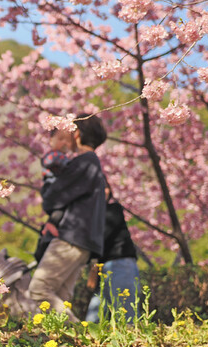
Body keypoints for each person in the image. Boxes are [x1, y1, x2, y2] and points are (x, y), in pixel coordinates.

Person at [27, 113, 107, 322]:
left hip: (71, 237)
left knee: (39, 289)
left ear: (77, 134)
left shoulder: (84, 162)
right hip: (84, 240)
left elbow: (51, 198)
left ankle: (78, 334)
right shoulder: (92, 164)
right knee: (60, 295)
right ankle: (60, 343)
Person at [85, 185, 140, 323]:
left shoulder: (113, 210)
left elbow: (101, 236)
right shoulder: (90, 216)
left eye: (106, 187)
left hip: (120, 264)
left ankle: (133, 343)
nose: (103, 190)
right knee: (94, 318)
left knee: (126, 313)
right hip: (104, 268)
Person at [34, 129, 75, 263]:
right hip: (51, 190)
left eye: (68, 140)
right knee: (58, 211)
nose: (65, 142)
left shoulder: (61, 156)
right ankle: (50, 230)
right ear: (51, 140)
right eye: (61, 138)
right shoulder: (53, 156)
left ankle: (51, 231)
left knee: (61, 213)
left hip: (56, 191)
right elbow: (53, 163)